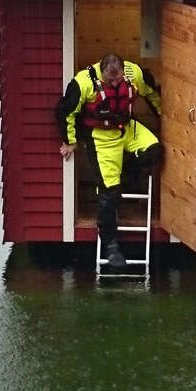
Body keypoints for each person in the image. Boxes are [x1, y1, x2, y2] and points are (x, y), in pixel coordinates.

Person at [55, 53, 164, 270]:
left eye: (118, 80)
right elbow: (65, 110)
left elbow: (153, 94)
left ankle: (127, 176)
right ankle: (111, 246)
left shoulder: (135, 74)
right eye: (110, 81)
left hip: (127, 129)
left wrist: (166, 117)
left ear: (124, 71)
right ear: (102, 72)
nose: (115, 84)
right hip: (100, 137)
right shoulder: (84, 82)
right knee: (109, 193)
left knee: (155, 150)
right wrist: (71, 141)